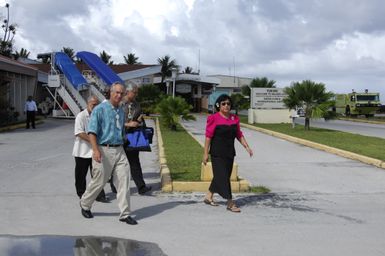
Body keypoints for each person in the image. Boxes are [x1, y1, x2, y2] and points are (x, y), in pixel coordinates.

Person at [79, 82, 137, 225]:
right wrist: (96, 150)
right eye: (116, 92)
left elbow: (120, 128)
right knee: (99, 181)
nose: (119, 95)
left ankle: (125, 213)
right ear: (110, 93)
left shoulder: (121, 111)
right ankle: (85, 204)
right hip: (103, 150)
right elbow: (92, 132)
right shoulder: (100, 109)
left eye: (121, 93)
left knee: (124, 180)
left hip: (119, 150)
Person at [202, 94, 253, 213]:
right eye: (223, 103)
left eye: (228, 104)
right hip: (217, 153)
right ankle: (230, 202)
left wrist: (247, 147)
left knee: (221, 176)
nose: (226, 106)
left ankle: (208, 196)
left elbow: (238, 134)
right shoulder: (213, 118)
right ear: (219, 105)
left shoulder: (234, 118)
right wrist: (205, 153)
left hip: (229, 153)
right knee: (224, 177)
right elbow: (208, 137)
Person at [72, 95, 108, 202]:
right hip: (82, 152)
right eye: (93, 104)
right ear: (88, 104)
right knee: (80, 175)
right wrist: (94, 141)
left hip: (95, 151)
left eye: (97, 105)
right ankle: (81, 194)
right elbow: (79, 133)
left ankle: (99, 195)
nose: (95, 106)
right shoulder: (81, 116)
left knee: (97, 174)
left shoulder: (100, 116)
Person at [123, 83, 152, 195]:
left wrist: (139, 121)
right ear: (128, 91)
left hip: (133, 137)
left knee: (135, 162)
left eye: (136, 92)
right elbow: (114, 121)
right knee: (117, 164)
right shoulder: (120, 104)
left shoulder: (136, 104)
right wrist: (128, 124)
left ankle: (141, 186)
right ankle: (114, 185)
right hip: (121, 137)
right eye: (134, 92)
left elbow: (139, 118)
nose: (136, 94)